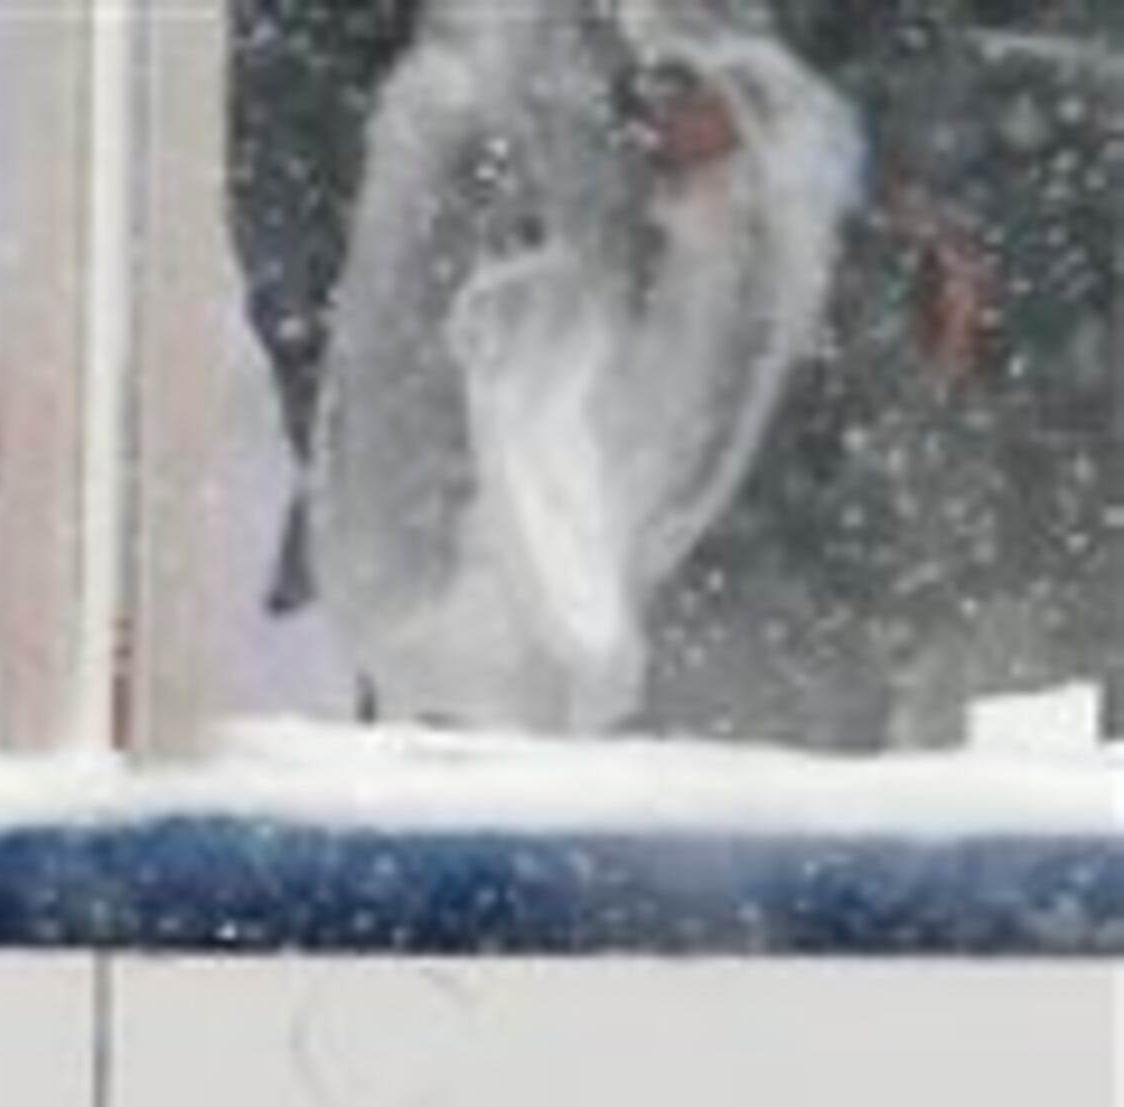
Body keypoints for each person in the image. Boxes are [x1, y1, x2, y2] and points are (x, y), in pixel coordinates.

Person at [227, 0, 1118, 744]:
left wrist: (832, 122)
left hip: (796, 464)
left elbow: (1036, 89)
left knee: (773, 835)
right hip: (481, 445)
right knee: (478, 836)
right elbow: (296, 128)